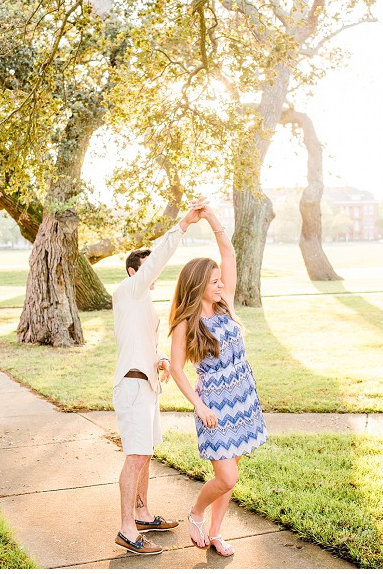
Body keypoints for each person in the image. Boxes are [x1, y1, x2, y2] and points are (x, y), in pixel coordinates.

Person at [168, 205, 268, 557]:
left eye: (220, 279)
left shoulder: (224, 304)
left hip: (243, 399)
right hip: (214, 405)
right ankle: (196, 512)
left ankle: (216, 532)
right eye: (214, 281)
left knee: (233, 473)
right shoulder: (186, 322)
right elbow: (178, 370)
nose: (221, 283)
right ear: (199, 287)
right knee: (227, 477)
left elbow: (228, 253)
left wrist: (211, 218)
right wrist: (200, 406)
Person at [112, 200, 206, 555]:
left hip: (147, 385)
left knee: (145, 454)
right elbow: (157, 260)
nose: (154, 276)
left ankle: (142, 514)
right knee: (136, 456)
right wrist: (183, 224)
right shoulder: (129, 290)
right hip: (133, 386)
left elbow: (144, 344)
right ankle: (125, 529)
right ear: (136, 271)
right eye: (147, 269)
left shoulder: (142, 304)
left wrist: (162, 359)